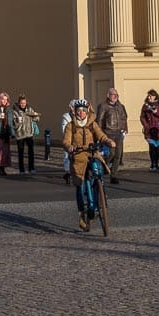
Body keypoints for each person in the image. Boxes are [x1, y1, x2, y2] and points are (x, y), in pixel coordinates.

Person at [62, 99, 115, 231]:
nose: (81, 113)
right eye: (79, 111)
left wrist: (108, 141)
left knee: (98, 171)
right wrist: (69, 147)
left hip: (92, 153)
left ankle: (101, 192)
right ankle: (82, 214)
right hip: (78, 157)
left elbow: (101, 136)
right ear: (75, 112)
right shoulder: (70, 126)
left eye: (84, 111)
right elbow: (66, 141)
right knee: (80, 185)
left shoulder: (92, 124)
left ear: (87, 112)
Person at [97, 88, 128, 184]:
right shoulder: (103, 106)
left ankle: (113, 175)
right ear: (108, 95)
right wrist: (100, 133)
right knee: (111, 153)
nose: (115, 96)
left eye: (116, 95)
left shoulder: (120, 106)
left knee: (118, 155)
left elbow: (124, 118)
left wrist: (125, 128)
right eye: (113, 94)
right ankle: (104, 165)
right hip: (108, 132)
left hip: (118, 133)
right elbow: (99, 120)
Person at [9, 94, 41, 175]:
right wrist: (17, 121)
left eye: (24, 103)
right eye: (21, 103)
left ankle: (31, 168)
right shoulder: (15, 111)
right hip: (20, 134)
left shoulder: (29, 109)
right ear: (19, 103)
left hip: (29, 133)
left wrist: (35, 116)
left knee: (31, 152)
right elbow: (13, 124)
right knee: (21, 152)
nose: (23, 104)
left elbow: (36, 119)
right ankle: (22, 170)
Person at [139, 90, 159, 172]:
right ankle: (152, 164)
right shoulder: (145, 106)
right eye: (148, 96)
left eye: (150, 96)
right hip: (149, 130)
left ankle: (157, 164)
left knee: (157, 148)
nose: (149, 97)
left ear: (155, 97)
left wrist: (156, 112)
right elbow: (142, 117)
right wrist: (146, 125)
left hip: (157, 130)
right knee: (151, 147)